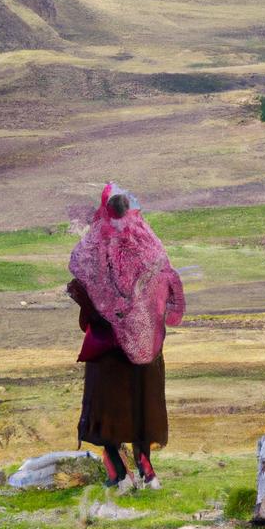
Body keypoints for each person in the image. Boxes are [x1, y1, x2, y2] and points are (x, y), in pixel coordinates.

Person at [66, 183, 185, 492]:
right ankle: (146, 470)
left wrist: (105, 312)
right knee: (143, 406)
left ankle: (119, 474)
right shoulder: (149, 243)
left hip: (109, 347)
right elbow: (164, 283)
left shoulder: (95, 244)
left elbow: (85, 286)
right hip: (145, 347)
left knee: (110, 408)